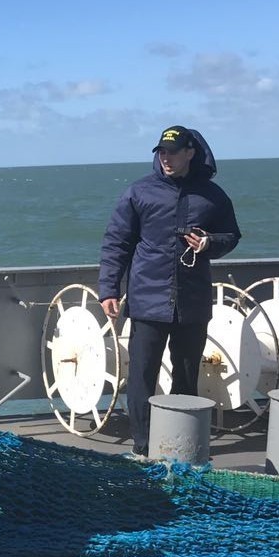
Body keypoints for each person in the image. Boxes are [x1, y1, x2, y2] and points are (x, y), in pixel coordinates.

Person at [98, 125, 242, 456]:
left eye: (173, 152)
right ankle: (145, 446)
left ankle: (181, 445)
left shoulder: (213, 195)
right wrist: (108, 288)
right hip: (148, 301)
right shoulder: (138, 192)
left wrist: (209, 243)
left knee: (187, 376)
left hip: (192, 301)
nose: (166, 158)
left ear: (190, 153)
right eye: (161, 152)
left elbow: (231, 235)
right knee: (141, 376)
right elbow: (117, 242)